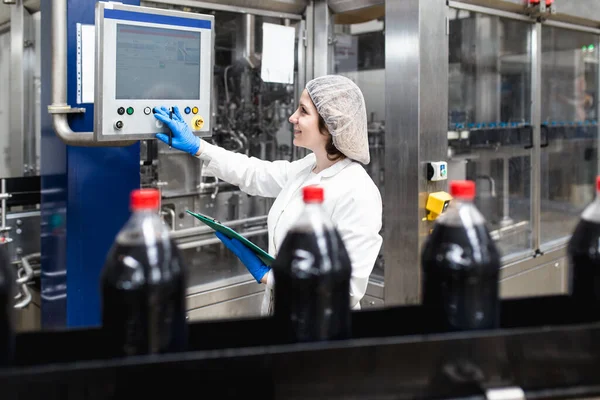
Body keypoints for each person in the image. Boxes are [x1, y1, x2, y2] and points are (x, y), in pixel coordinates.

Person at [153, 75, 383, 316]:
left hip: (321, 330)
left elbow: (345, 290)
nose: (292, 117)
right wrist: (199, 147)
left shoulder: (358, 192)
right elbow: (256, 173)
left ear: (330, 124)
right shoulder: (309, 168)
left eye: (303, 111)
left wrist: (270, 278)